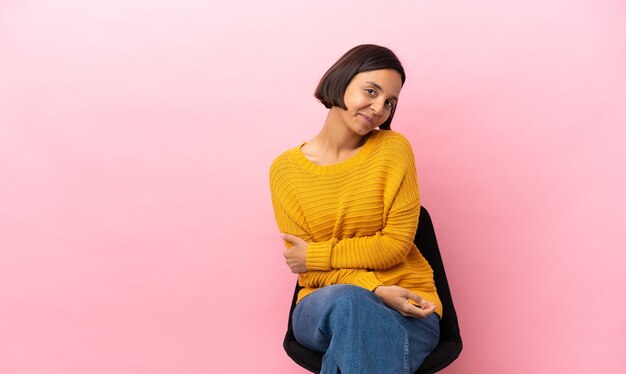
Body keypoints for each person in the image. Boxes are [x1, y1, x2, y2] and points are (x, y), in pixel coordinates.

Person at [269, 44, 442, 374]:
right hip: (324, 306)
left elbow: (394, 247)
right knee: (352, 305)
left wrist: (318, 254)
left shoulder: (393, 150)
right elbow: (304, 268)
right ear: (342, 80)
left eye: (390, 102)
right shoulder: (285, 171)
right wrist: (374, 289)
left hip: (408, 308)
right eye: (371, 91)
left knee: (357, 341)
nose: (379, 108)